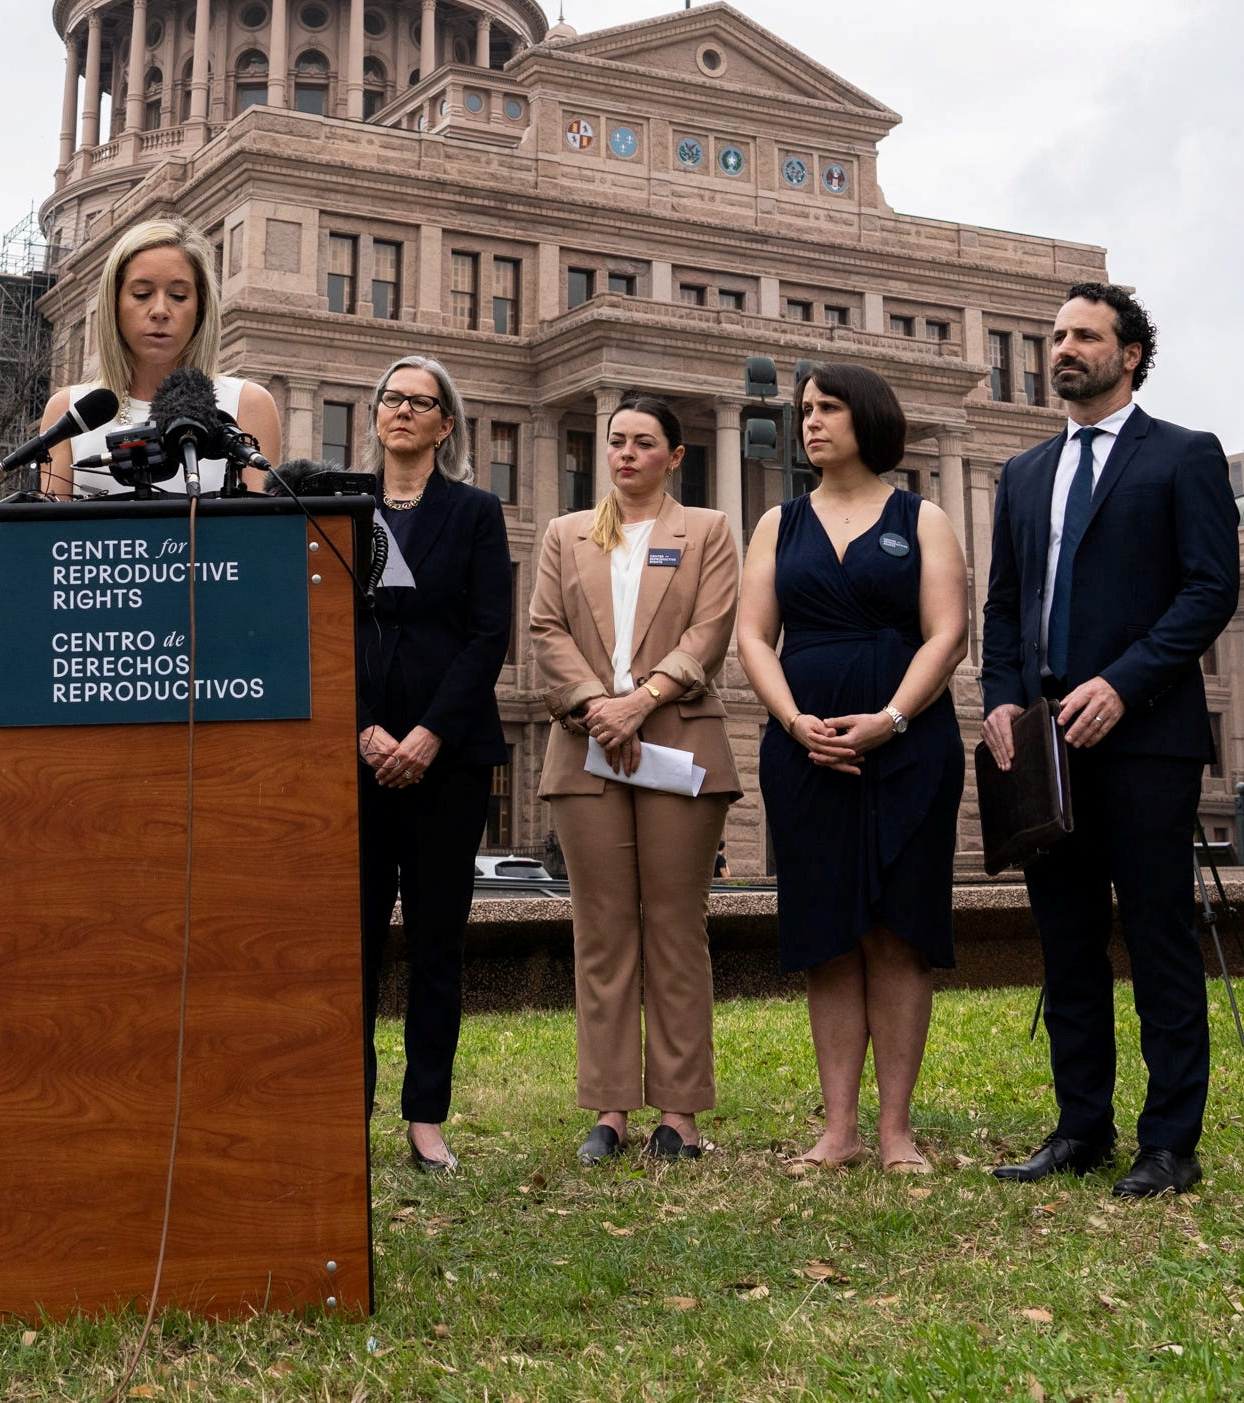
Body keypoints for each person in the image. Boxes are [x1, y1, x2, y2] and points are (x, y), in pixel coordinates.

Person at [980, 286, 1239, 1198]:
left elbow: (1209, 591)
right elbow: (1004, 605)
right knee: (1067, 941)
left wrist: (1124, 684)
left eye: (1084, 335)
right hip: (1047, 747)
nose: (1062, 348)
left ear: (1130, 354)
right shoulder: (1021, 473)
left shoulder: (1183, 456)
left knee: (1161, 939)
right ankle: (1080, 1127)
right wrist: (1003, 700)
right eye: (1055, 335)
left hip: (1147, 739)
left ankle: (1170, 1141)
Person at [738, 365, 967, 1175]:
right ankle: (839, 1130)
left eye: (827, 407)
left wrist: (892, 720)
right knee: (828, 933)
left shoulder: (924, 517)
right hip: (807, 752)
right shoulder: (777, 522)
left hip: (909, 748)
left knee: (899, 932)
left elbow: (947, 633)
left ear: (867, 417)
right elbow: (754, 638)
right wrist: (794, 720)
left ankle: (897, 1131)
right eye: (804, 410)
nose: (810, 422)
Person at [530, 395, 743, 1164]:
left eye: (643, 442)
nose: (625, 453)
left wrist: (643, 698)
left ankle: (680, 1115)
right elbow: (546, 629)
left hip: (678, 742)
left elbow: (711, 628)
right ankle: (610, 1110)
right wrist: (597, 704)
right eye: (616, 440)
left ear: (674, 455)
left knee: (676, 929)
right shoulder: (564, 534)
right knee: (604, 932)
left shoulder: (709, 531)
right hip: (586, 746)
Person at [354, 356, 511, 1172]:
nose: (404, 411)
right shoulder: (339, 508)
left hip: (447, 764)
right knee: (349, 945)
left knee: (436, 944)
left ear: (446, 424)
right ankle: (346, 1110)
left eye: (422, 402)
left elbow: (491, 634)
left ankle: (426, 1121)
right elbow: (314, 626)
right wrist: (363, 730)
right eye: (393, 398)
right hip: (355, 761)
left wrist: (427, 736)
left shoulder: (477, 513)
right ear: (376, 414)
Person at [36, 220, 281, 497]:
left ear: (200, 308)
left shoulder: (247, 404)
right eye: (142, 294)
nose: (160, 311)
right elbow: (51, 537)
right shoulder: (70, 412)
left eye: (178, 296)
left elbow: (264, 531)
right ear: (114, 304)